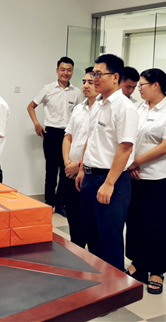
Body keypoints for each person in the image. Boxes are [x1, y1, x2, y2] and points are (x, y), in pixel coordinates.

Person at [75, 54, 138, 271]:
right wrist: (82, 168)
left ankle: (113, 287)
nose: (94, 78)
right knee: (93, 237)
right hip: (90, 177)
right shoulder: (98, 104)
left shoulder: (124, 107)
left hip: (111, 180)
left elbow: (125, 148)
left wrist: (109, 183)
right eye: (93, 74)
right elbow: (91, 139)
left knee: (110, 241)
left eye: (99, 74)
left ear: (115, 77)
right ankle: (98, 282)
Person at [125, 69, 166, 295]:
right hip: (135, 174)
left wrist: (135, 162)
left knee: (156, 224)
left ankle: (157, 271)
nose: (138, 89)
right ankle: (138, 264)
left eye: (142, 85)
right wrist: (131, 164)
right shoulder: (138, 108)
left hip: (160, 177)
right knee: (135, 221)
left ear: (156, 85)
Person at [27, 57, 83, 215]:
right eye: (63, 69)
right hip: (51, 133)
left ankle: (61, 204)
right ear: (57, 70)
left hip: (68, 135)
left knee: (66, 170)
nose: (66, 72)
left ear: (72, 72)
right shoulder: (48, 89)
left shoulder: (76, 92)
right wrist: (37, 124)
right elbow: (31, 106)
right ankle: (49, 203)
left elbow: (80, 113)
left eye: (69, 70)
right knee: (51, 170)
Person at [62, 67, 98, 248]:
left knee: (89, 222)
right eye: (84, 82)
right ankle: (76, 253)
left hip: (88, 172)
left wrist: (79, 165)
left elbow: (97, 144)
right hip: (71, 171)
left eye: (90, 82)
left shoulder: (102, 110)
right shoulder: (78, 108)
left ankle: (91, 259)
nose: (85, 85)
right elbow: (68, 137)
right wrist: (67, 162)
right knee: (74, 218)